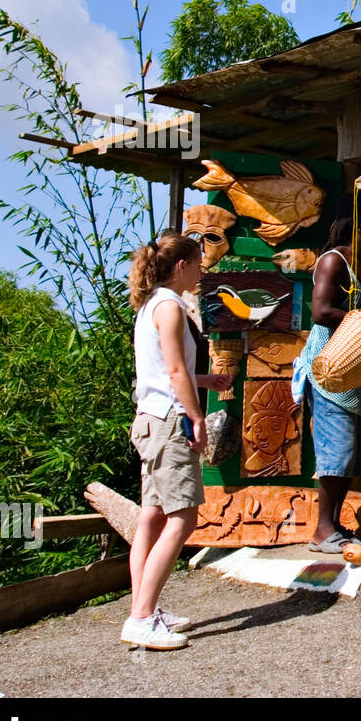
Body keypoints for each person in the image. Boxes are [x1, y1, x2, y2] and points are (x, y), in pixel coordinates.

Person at [122, 231, 231, 650]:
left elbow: (160, 373)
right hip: (169, 423)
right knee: (183, 517)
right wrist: (196, 415)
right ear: (182, 265)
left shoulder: (150, 305)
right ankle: (141, 617)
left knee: (151, 517)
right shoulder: (169, 306)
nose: (203, 269)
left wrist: (204, 379)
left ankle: (143, 608)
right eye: (200, 262)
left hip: (149, 418)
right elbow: (173, 374)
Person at [292, 196, 361, 552]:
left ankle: (334, 526)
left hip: (354, 372)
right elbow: (321, 311)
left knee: (352, 454)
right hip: (330, 370)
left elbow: (355, 312)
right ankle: (322, 530)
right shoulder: (333, 261)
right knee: (336, 452)